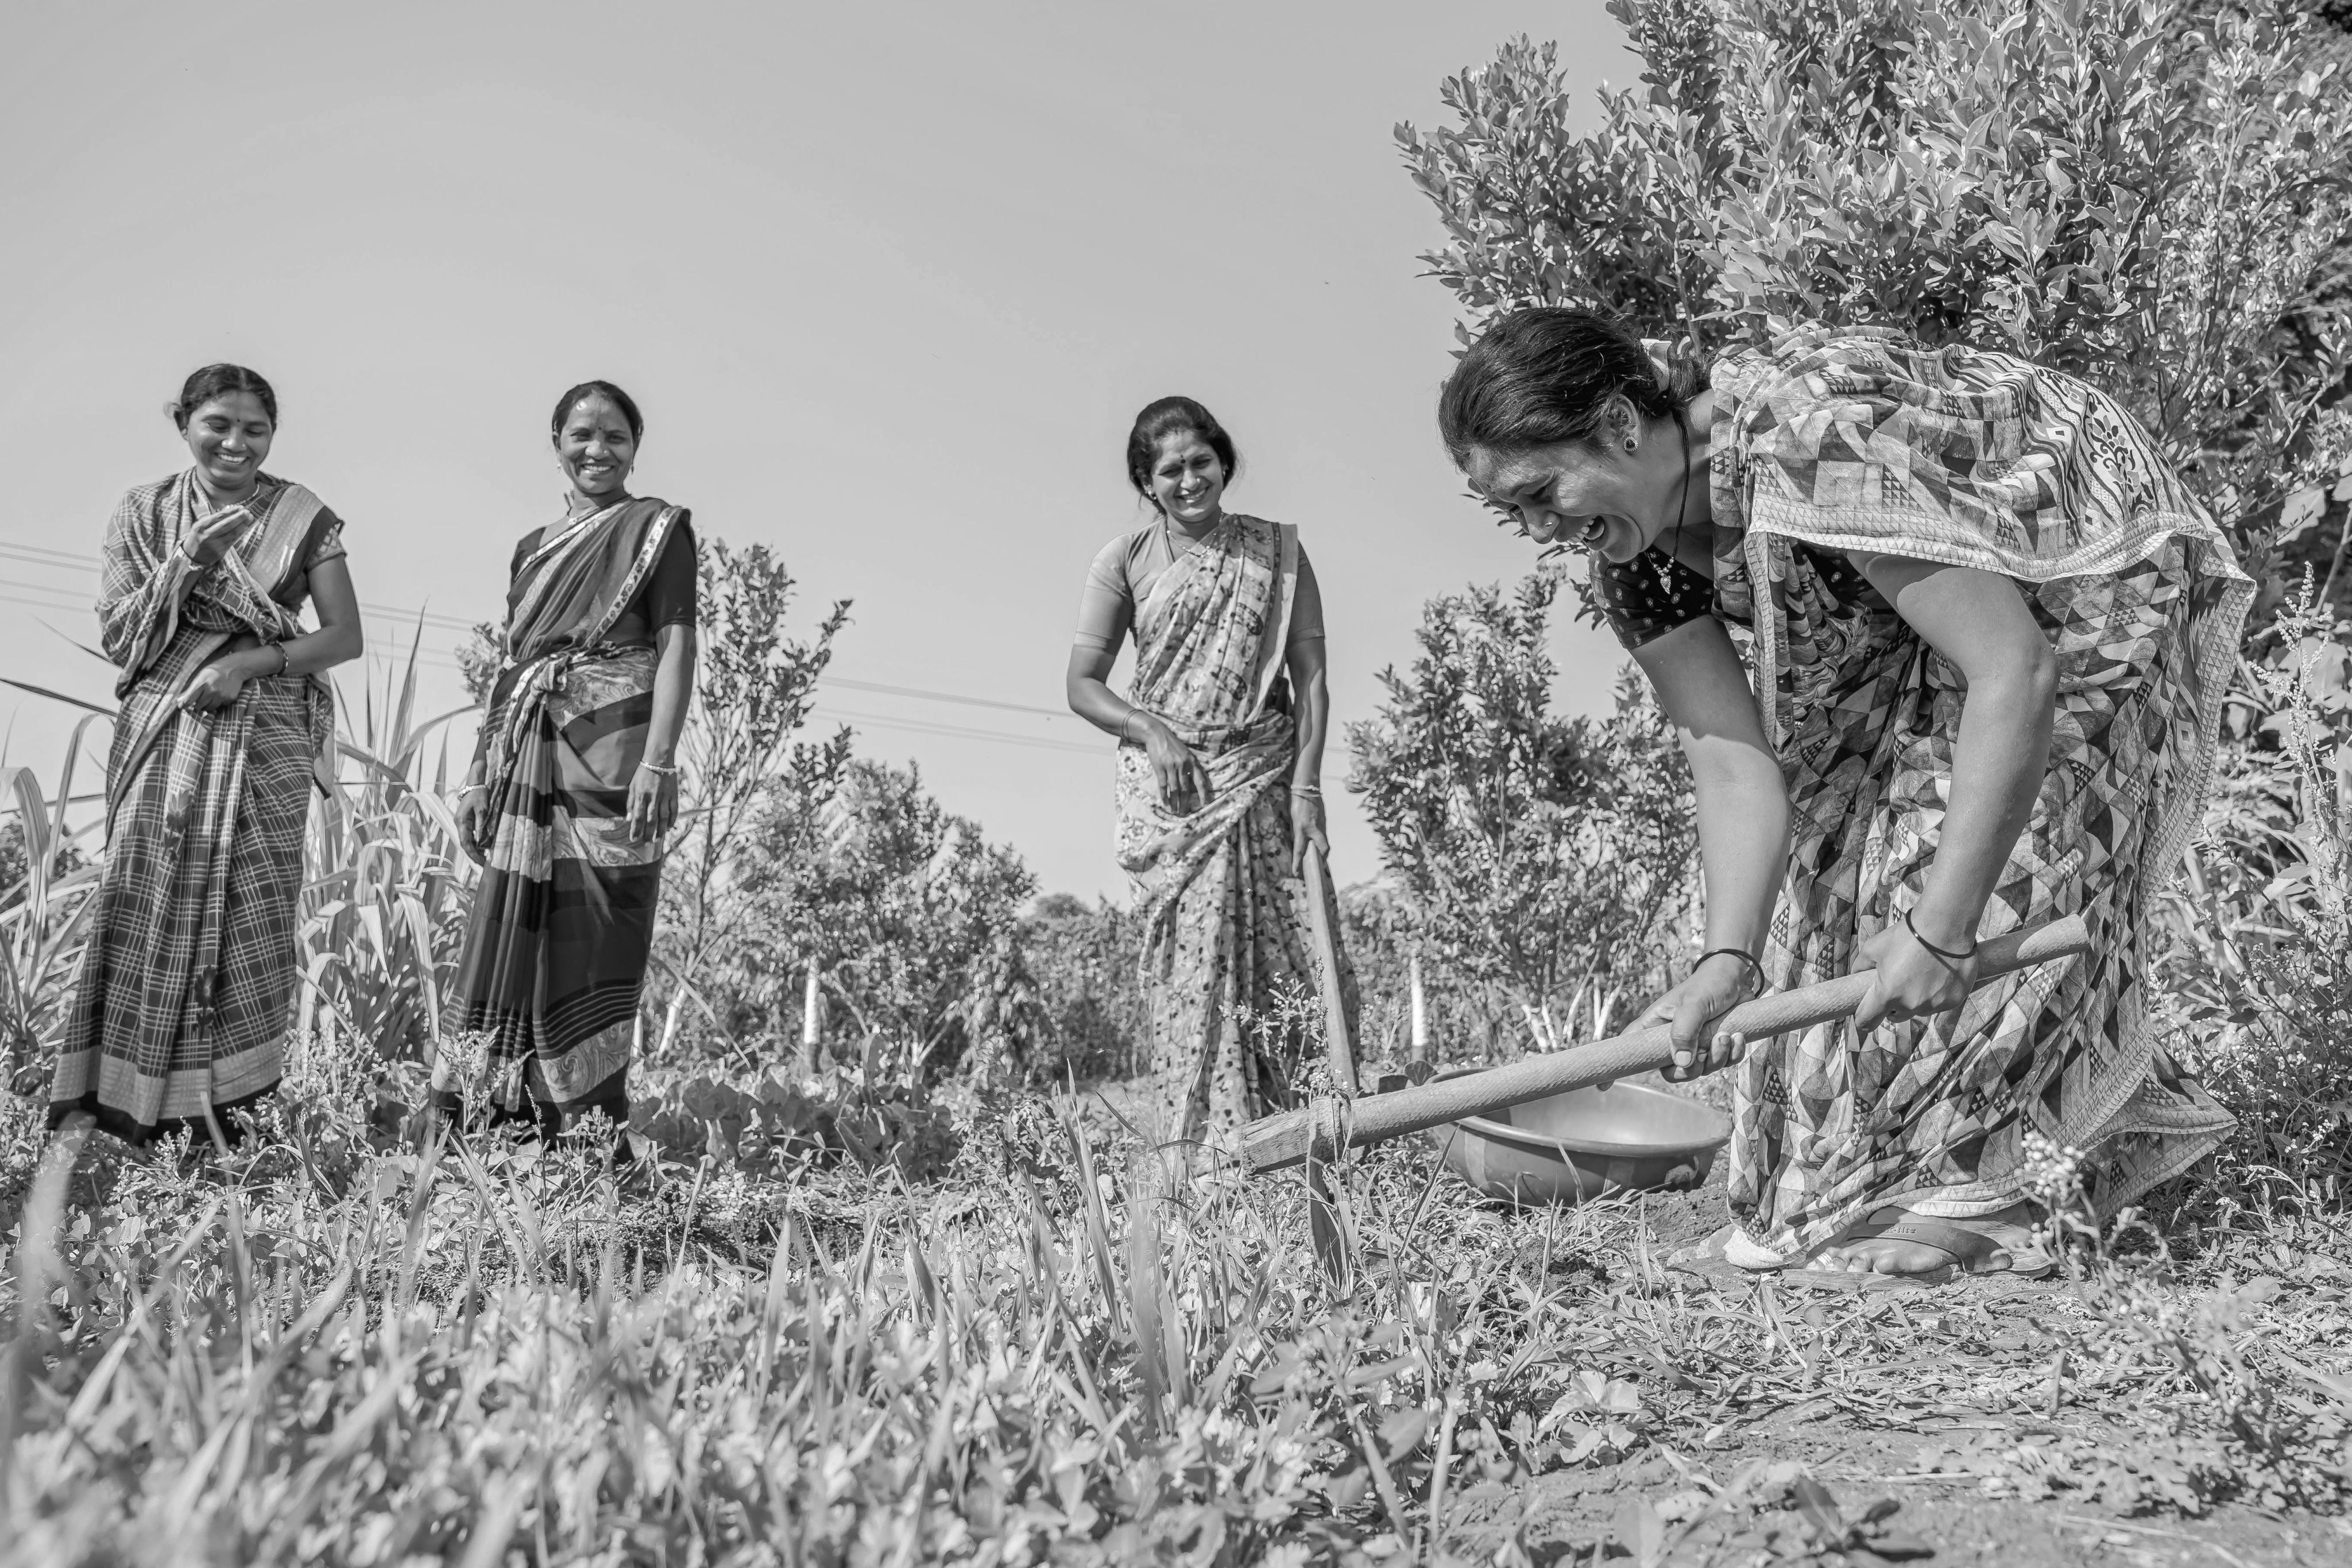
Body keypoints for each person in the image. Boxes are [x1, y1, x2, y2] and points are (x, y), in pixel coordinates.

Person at [1438, 310, 2249, 1278]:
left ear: (1620, 425)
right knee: (1827, 885)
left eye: (1540, 491)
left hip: (2073, 555)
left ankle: (1986, 1196)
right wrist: (1724, 962)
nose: (1537, 529)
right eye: (1508, 513)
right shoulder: (1637, 563)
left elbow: (2013, 671)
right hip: (1910, 609)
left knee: (1973, 851)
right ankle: (1850, 1195)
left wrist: (1945, 932)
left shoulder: (1805, 441)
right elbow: (1737, 765)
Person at [49, 365, 364, 1145]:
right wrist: (186, 559)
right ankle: (124, 1108)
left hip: (267, 735)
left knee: (251, 910)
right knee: (146, 893)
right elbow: (123, 637)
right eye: (218, 424)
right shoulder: (145, 512)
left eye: (255, 430)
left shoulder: (301, 517)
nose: (236, 443)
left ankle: (228, 1116)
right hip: (166, 728)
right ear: (183, 423)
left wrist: (246, 665)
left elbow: (343, 636)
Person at [1066, 396, 1355, 1156]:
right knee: (1193, 980)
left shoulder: (1275, 553)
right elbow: (1083, 685)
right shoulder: (1122, 561)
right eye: (1170, 470)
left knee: (1292, 959)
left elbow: (1313, 679)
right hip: (1177, 799)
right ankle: (1207, 1160)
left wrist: (1308, 790)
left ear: (1224, 460)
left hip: (1265, 773)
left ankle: (1312, 1143)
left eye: (1202, 461)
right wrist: (1151, 731)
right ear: (1147, 481)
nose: (1190, 480)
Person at [439, 380, 697, 1144]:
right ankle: (497, 1118)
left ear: (635, 449)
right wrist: (482, 775)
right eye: (581, 435)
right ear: (556, 444)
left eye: (615, 436)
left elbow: (677, 642)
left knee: (604, 922)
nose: (598, 450)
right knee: (518, 920)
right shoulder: (532, 550)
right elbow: (516, 666)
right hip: (528, 751)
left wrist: (661, 760)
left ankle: (586, 1123)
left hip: (618, 746)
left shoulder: (661, 530)